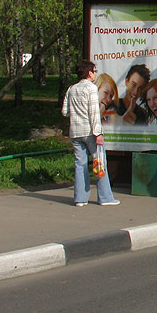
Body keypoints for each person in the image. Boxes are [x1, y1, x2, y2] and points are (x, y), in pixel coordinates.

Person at [61, 59, 119, 207]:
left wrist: (76, 113)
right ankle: (105, 198)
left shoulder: (71, 89)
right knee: (99, 163)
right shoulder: (91, 88)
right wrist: (98, 133)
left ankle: (80, 199)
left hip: (75, 132)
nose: (95, 74)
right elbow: (94, 113)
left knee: (79, 164)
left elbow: (65, 112)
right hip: (91, 133)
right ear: (88, 72)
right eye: (94, 71)